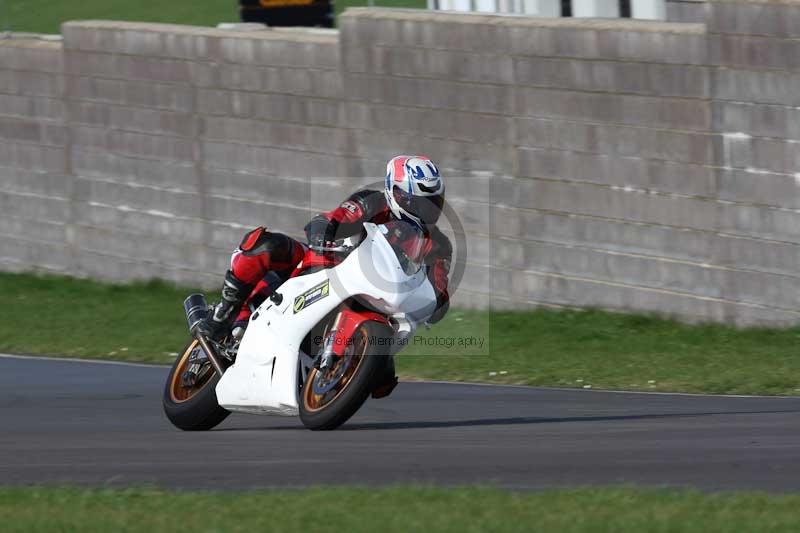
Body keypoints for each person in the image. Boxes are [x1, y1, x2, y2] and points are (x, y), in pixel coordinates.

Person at [198, 155, 452, 392]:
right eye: (417, 201)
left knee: (382, 380)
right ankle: (223, 314)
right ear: (395, 192)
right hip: (324, 266)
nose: (426, 210)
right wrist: (324, 240)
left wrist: (435, 302)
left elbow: (438, 286)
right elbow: (331, 220)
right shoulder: (373, 202)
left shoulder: (438, 246)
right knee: (266, 246)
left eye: (432, 202)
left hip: (377, 301)